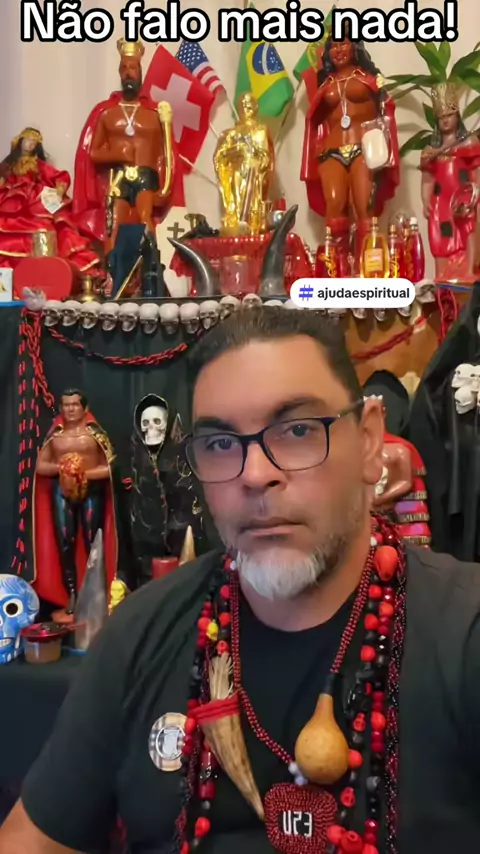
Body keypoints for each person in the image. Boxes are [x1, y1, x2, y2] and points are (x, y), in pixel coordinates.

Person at [2, 308, 480, 854]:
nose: (255, 474)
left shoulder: (463, 632)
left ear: (370, 442)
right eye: (221, 443)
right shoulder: (139, 635)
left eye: (298, 430)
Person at [301, 34, 399, 266]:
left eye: (343, 44)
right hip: (331, 152)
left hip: (363, 148)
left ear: (355, 47)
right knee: (334, 207)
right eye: (333, 46)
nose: (338, 50)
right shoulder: (325, 85)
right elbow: (315, 119)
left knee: (365, 207)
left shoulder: (369, 79)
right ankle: (339, 267)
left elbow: (386, 108)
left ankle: (368, 266)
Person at [73, 39, 177, 259]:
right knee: (114, 224)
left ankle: (150, 267)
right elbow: (92, 153)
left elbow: (165, 154)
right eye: (125, 68)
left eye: (133, 68)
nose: (129, 73)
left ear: (140, 71)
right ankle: (113, 271)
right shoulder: (106, 113)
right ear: (120, 73)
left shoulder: (155, 113)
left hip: (145, 176)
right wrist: (117, 154)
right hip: (118, 177)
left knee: (145, 219)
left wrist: (165, 187)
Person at [30, 389, 118, 617]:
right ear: (61, 408)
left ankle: (96, 593)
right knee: (65, 541)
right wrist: (63, 469)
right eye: (66, 405)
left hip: (92, 491)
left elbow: (110, 467)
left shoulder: (95, 435)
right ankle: (72, 594)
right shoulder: (55, 436)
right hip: (62, 491)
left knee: (93, 540)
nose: (70, 409)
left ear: (84, 408)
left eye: (75, 405)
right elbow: (40, 466)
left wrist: (82, 473)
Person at [0, 127, 99, 273]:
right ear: (20, 141)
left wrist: (60, 189)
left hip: (35, 199)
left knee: (47, 224)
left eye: (34, 142)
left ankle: (45, 268)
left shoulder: (39, 165)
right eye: (28, 140)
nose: (30, 144)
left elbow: (59, 176)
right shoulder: (9, 165)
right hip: (13, 199)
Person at [420, 83, 480, 282]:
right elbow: (427, 179)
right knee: (438, 233)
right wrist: (425, 200)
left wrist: (476, 193)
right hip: (440, 200)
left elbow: (476, 170)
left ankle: (468, 271)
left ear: (457, 116)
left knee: (468, 228)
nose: (445, 120)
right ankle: (442, 275)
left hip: (463, 195)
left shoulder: (469, 143)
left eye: (449, 115)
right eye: (441, 117)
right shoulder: (430, 150)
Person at [213, 93, 274, 236]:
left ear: (256, 107)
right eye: (242, 103)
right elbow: (219, 157)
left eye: (249, 102)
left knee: (251, 202)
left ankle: (252, 222)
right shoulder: (229, 134)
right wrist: (237, 150)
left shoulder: (261, 130)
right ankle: (234, 220)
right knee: (236, 198)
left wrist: (255, 157)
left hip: (254, 175)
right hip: (236, 173)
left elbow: (267, 157)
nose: (246, 105)